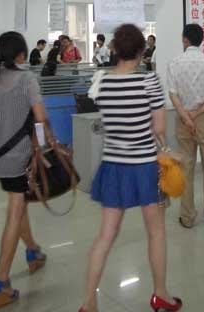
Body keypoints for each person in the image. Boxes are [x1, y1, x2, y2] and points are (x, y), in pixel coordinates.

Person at [80, 24, 182, 312]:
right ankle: (160, 294)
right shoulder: (149, 81)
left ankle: (88, 302)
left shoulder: (101, 81)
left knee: (105, 236)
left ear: (114, 49)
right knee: (156, 232)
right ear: (141, 51)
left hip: (113, 166)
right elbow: (158, 128)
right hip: (145, 166)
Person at [0, 32, 49, 310]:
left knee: (18, 202)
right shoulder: (27, 79)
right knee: (15, 211)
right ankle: (1, 282)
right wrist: (41, 145)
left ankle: (33, 251)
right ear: (21, 54)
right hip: (21, 157)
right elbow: (40, 118)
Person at [167, 24, 204, 229]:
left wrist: (187, 116)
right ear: (202, 40)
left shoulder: (174, 63)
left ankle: (187, 216)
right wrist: (197, 114)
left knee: (186, 168)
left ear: (185, 39)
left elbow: (173, 94)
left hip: (183, 120)